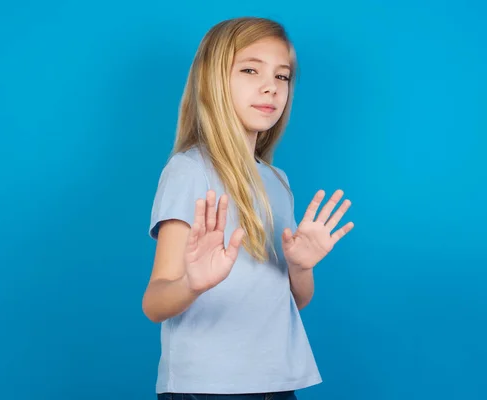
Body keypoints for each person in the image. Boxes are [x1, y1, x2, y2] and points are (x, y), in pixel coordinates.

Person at [142, 16, 354, 400]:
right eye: (250, 69)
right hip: (208, 388)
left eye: (282, 76)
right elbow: (155, 302)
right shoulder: (189, 170)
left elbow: (297, 299)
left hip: (276, 383)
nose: (270, 87)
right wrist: (192, 283)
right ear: (213, 79)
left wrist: (300, 265)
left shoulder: (278, 181)